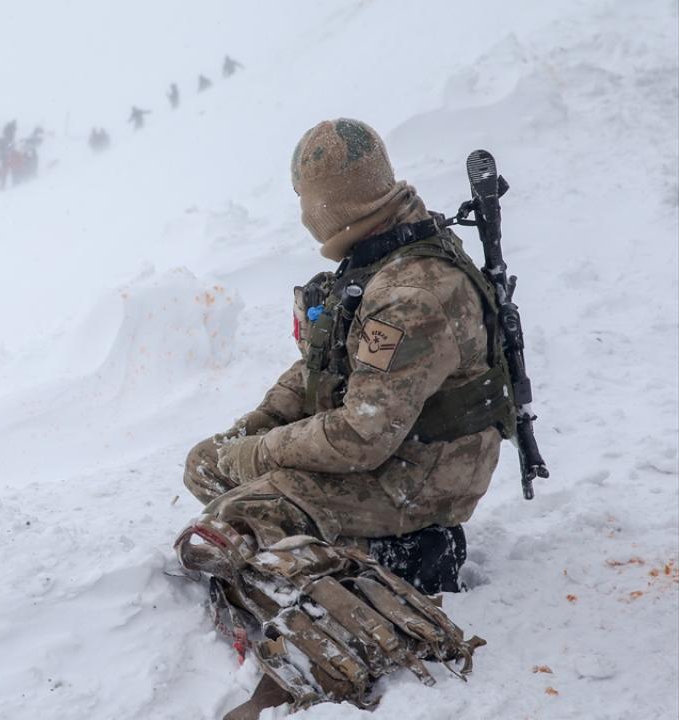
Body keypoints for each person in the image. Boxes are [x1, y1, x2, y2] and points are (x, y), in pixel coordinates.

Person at [176, 118, 504, 718]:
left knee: (239, 515)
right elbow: (322, 366)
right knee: (207, 468)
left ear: (325, 203)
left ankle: (348, 622)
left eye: (304, 199)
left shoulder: (411, 290)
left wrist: (257, 455)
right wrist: (257, 425)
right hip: (393, 448)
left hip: (425, 476)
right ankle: (353, 550)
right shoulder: (377, 254)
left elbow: (362, 435)